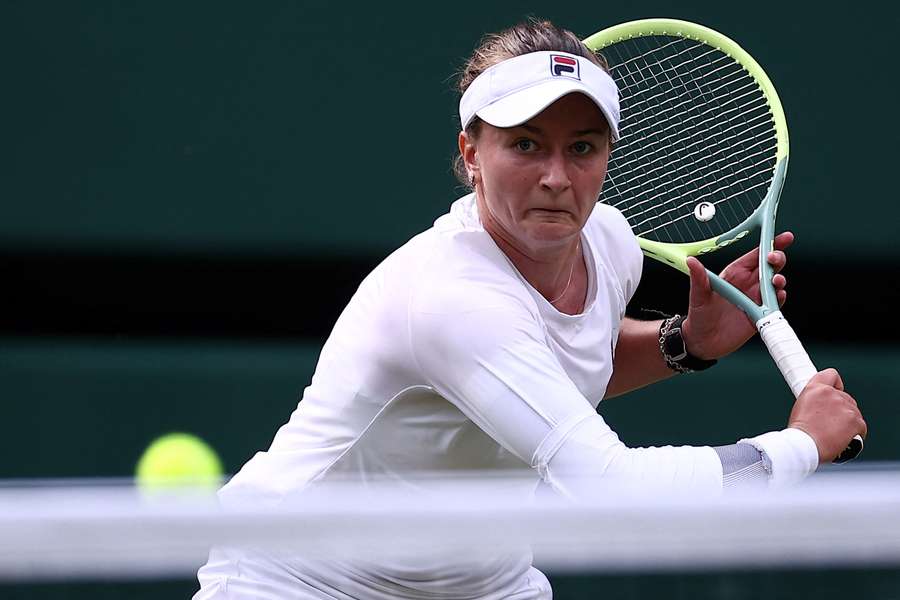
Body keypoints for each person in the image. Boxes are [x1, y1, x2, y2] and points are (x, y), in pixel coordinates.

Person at [194, 19, 866, 599]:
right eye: (525, 144)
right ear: (471, 155)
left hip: (481, 582)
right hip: (300, 580)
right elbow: (614, 493)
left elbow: (561, 375)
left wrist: (685, 341)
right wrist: (802, 443)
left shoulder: (610, 243)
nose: (556, 176)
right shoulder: (451, 300)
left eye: (581, 148)